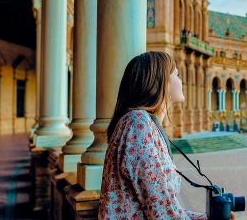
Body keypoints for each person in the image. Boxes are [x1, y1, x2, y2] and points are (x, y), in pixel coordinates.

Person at [99, 51, 235, 220]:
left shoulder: (143, 124)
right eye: (176, 75)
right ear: (162, 82)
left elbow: (165, 208)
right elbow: (162, 212)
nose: (181, 80)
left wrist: (205, 218)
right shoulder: (138, 123)